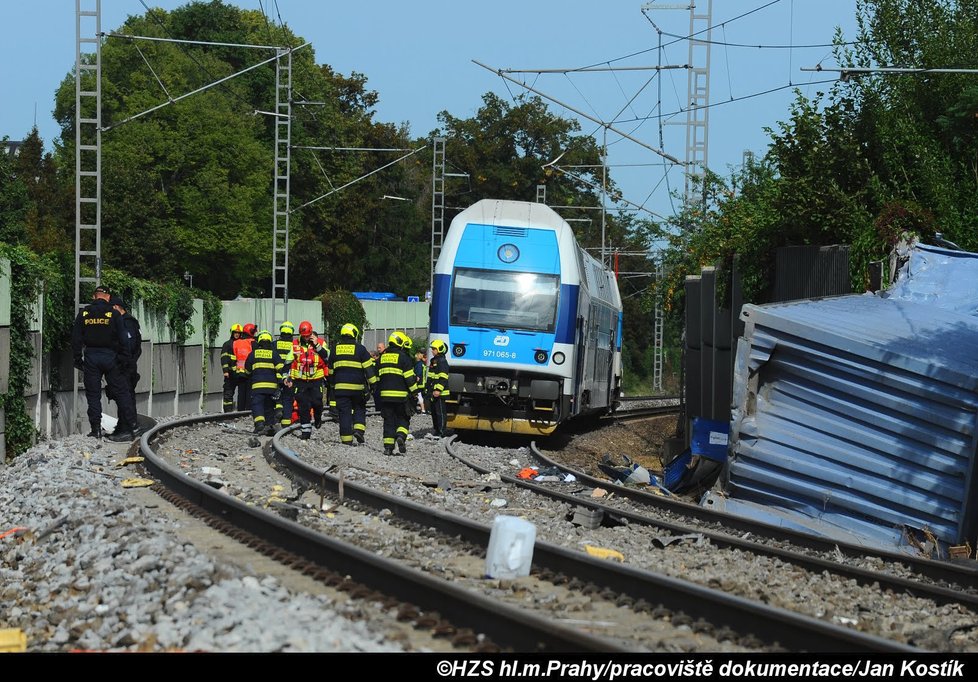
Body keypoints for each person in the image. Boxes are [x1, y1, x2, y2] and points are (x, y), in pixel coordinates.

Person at [70, 285, 140, 442]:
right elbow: (123, 338)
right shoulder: (114, 314)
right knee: (122, 392)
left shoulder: (84, 313)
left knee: (93, 395)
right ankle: (131, 426)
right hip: (111, 357)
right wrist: (125, 359)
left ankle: (96, 429)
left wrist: (77, 359)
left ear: (94, 297)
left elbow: (76, 338)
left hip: (91, 357)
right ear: (108, 297)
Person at [327, 323, 377, 446]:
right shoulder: (360, 349)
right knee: (359, 408)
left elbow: (330, 371)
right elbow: (368, 369)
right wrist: (374, 384)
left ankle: (346, 440)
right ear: (354, 334)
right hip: (357, 388)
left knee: (344, 413)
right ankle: (359, 430)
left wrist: (333, 386)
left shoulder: (334, 349)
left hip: (340, 389)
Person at [375, 331, 420, 456]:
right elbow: (410, 379)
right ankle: (400, 435)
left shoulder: (381, 358)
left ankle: (388, 448)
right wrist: (415, 392)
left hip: (385, 397)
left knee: (388, 421)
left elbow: (377, 378)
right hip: (401, 397)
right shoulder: (404, 358)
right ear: (400, 343)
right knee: (403, 417)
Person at [241, 329, 287, 435]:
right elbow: (281, 368)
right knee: (269, 406)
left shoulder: (253, 354)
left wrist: (247, 375)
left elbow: (247, 370)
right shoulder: (274, 354)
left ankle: (260, 423)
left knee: (257, 405)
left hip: (257, 386)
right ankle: (270, 426)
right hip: (271, 387)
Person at [289, 321, 330, 440]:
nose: (306, 338)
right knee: (303, 406)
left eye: (308, 335)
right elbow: (288, 361)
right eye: (304, 336)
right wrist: (288, 376)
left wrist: (317, 346)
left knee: (317, 402)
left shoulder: (321, 342)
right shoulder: (295, 344)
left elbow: (327, 357)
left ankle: (318, 417)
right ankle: (306, 432)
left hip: (316, 380)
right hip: (300, 381)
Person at [109, 296, 142, 433]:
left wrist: (123, 361)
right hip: (129, 364)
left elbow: (129, 345)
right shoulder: (131, 322)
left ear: (116, 307)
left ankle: (127, 427)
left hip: (125, 366)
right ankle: (124, 425)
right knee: (125, 395)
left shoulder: (126, 323)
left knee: (124, 395)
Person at [274, 321, 297, 428]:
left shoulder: (274, 344)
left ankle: (278, 411)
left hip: (277, 376)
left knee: (277, 396)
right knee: (288, 398)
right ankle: (286, 419)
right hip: (289, 377)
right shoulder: (295, 345)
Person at [427, 339, 451, 438]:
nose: (432, 351)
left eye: (434, 349)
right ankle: (437, 430)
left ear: (439, 349)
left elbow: (443, 377)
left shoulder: (442, 361)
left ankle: (441, 432)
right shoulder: (434, 361)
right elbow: (431, 377)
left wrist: (438, 390)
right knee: (434, 413)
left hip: (439, 393)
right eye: (432, 349)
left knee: (440, 413)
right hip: (433, 392)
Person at [232, 323, 256, 410]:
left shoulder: (236, 343)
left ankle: (240, 410)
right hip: (250, 372)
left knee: (241, 392)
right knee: (249, 391)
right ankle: (248, 410)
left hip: (239, 372)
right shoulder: (253, 343)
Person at [221, 324, 244, 412]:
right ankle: (228, 412)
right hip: (230, 373)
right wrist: (225, 371)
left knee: (242, 394)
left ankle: (241, 411)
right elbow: (224, 358)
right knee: (228, 393)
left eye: (238, 333)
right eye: (235, 333)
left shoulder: (243, 344)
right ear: (232, 333)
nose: (237, 334)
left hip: (242, 373)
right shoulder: (227, 344)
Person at [414, 350, 427, 414]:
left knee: (418, 395)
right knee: (419, 395)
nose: (416, 356)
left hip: (419, 383)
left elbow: (418, 376)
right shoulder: (422, 364)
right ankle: (422, 409)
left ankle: (423, 409)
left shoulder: (419, 364)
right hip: (422, 383)